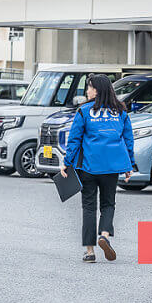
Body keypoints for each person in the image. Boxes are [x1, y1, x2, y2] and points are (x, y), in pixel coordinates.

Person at [61, 74, 136, 264]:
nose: (87, 91)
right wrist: (129, 165)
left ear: (97, 90)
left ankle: (89, 251)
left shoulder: (84, 111)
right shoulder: (120, 112)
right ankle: (104, 235)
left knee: (88, 207)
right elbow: (128, 140)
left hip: (89, 166)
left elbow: (75, 140)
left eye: (89, 88)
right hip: (112, 167)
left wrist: (67, 162)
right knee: (108, 203)